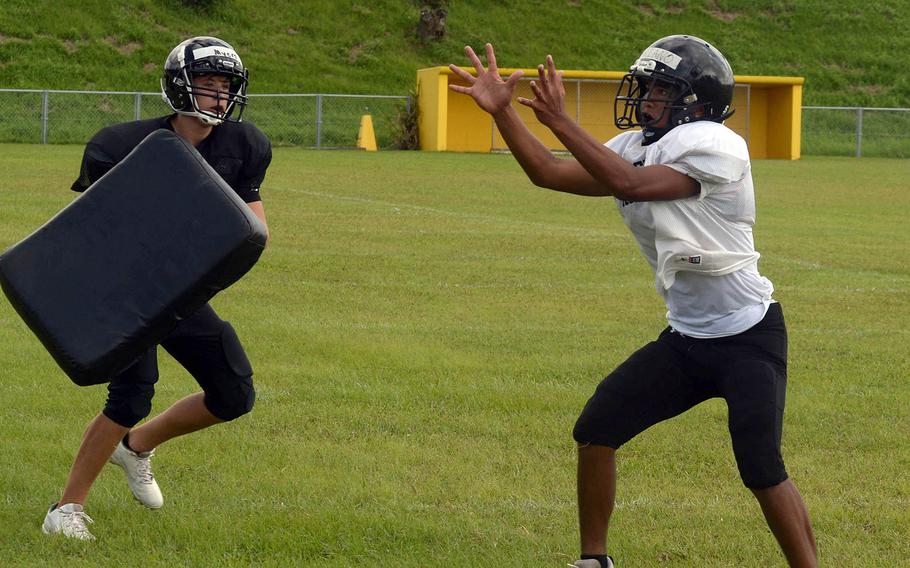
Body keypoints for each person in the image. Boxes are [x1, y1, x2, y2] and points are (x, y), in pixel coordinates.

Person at [449, 36, 817, 567]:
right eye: (647, 88)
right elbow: (549, 174)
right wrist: (505, 114)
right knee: (597, 429)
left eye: (663, 91)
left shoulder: (718, 144)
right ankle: (593, 560)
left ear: (699, 102)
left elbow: (630, 184)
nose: (646, 101)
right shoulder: (638, 145)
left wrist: (561, 121)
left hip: (747, 335)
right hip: (688, 340)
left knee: (760, 465)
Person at [42, 36, 271, 541]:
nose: (219, 96)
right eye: (207, 84)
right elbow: (92, 232)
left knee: (234, 393)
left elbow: (254, 231)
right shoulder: (119, 145)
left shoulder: (244, 144)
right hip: (122, 288)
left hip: (181, 289)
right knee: (129, 394)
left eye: (225, 85)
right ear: (178, 88)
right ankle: (65, 509)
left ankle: (137, 447)